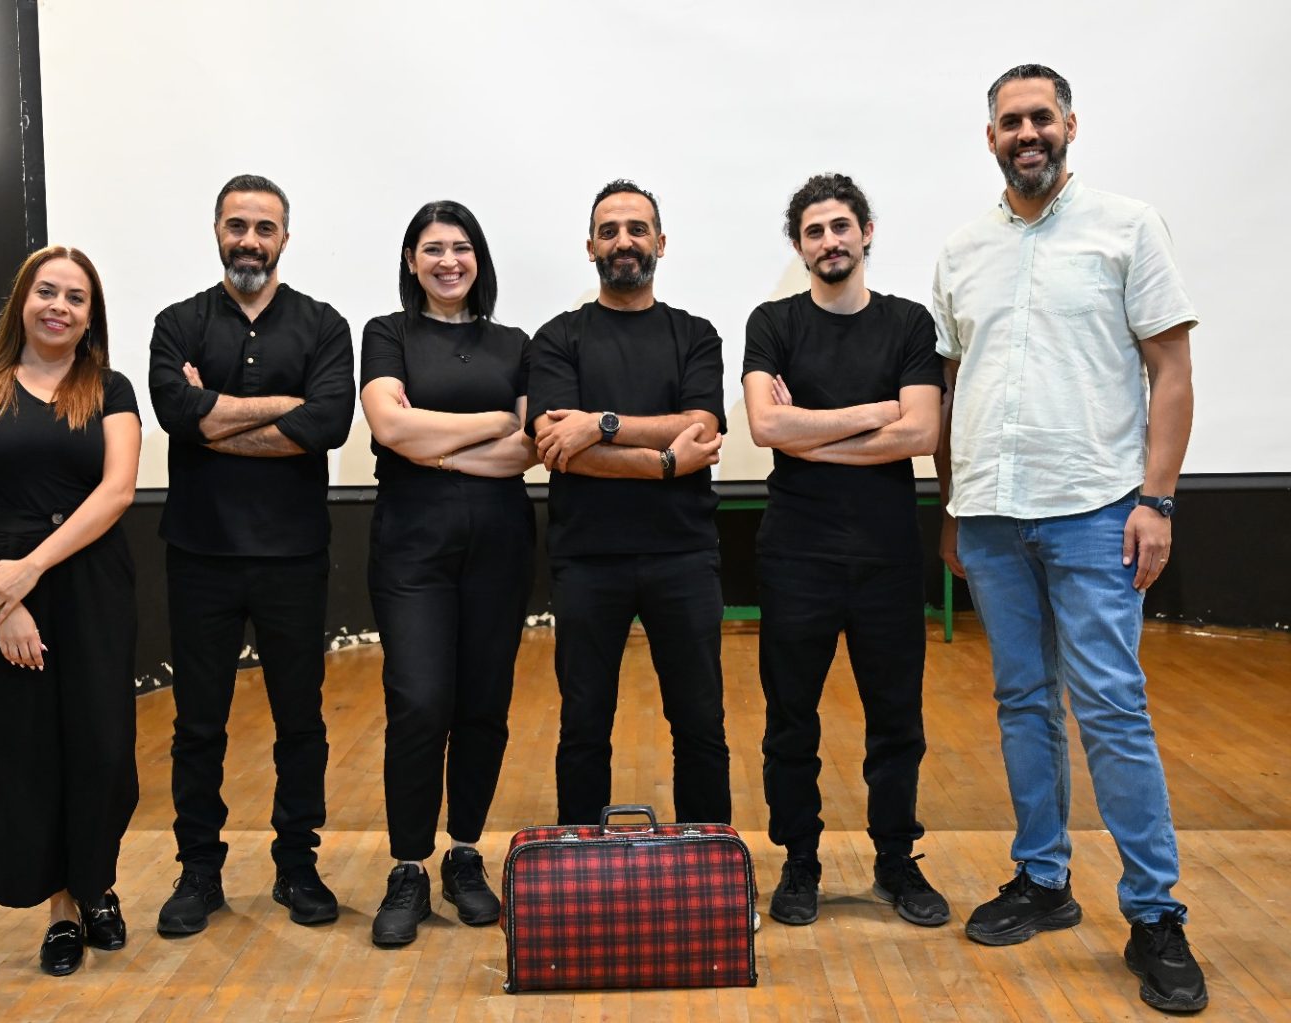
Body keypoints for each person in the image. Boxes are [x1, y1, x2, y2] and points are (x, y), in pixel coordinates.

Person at [933, 65, 1206, 1013]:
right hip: (992, 515)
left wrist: (1157, 500)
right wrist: (953, 503)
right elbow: (955, 389)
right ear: (991, 137)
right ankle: (1043, 879)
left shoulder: (1129, 227)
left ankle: (1155, 912)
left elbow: (1172, 371)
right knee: (1022, 703)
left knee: (1112, 709)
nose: (1026, 133)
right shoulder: (962, 250)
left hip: (1096, 509)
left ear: (1070, 126)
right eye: (1010, 121)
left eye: (1040, 117)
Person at [149, 174, 355, 935]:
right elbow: (177, 412)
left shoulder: (324, 325)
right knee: (198, 725)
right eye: (237, 225)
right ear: (217, 231)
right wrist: (282, 408)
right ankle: (198, 871)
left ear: (284, 239)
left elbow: (328, 423)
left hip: (293, 555)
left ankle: (297, 865)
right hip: (199, 553)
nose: (250, 241)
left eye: (264, 228)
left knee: (300, 721)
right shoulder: (178, 323)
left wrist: (216, 415)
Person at [744, 174, 948, 929]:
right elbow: (766, 428)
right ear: (799, 247)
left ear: (866, 232)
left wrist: (813, 433)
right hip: (796, 555)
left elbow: (921, 432)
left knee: (897, 720)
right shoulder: (772, 322)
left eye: (840, 226)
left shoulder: (908, 323)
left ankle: (896, 860)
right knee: (790, 720)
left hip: (887, 556)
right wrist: (875, 413)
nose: (829, 241)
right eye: (814, 231)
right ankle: (799, 860)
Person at [0, 245, 141, 976]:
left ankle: (97, 883)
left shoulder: (110, 388)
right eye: (47, 292)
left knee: (103, 747)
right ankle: (63, 910)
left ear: (91, 316)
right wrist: (5, 597)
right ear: (22, 301)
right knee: (29, 753)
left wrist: (32, 569)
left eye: (75, 297)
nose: (59, 306)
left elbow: (117, 491)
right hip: (1, 588)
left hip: (89, 584)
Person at [358, 200, 537, 948]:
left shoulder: (515, 343)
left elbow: (529, 446)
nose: (447, 261)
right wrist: (491, 422)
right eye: (432, 248)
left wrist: (432, 445)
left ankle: (464, 854)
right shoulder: (387, 334)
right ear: (412, 261)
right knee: (420, 703)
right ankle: (408, 865)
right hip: (411, 545)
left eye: (461, 247)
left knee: (484, 706)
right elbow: (389, 426)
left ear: (478, 259)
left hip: (500, 543)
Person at [527, 179, 730, 828]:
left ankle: (707, 859)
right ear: (590, 246)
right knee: (583, 725)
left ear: (660, 243)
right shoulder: (556, 338)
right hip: (587, 559)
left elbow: (700, 426)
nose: (623, 241)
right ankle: (578, 863)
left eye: (637, 229)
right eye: (609, 231)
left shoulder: (695, 335)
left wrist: (601, 424)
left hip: (684, 556)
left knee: (700, 723)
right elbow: (559, 450)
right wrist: (666, 461)